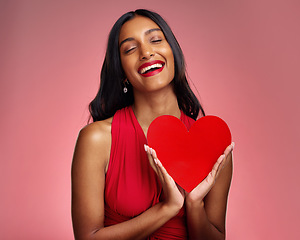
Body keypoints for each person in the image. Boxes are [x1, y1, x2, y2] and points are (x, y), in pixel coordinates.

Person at [71, 9, 234, 240]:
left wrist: (194, 205)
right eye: (130, 49)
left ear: (174, 53)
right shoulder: (97, 139)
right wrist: (167, 208)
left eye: (156, 40)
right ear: (122, 73)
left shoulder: (214, 144)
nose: (146, 52)